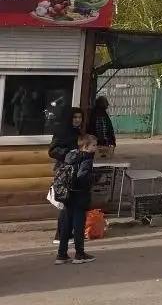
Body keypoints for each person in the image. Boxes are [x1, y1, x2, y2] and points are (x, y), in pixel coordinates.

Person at [55, 133, 97, 264]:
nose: (95, 148)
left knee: (66, 226)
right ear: (85, 146)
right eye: (93, 145)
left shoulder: (70, 155)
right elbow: (82, 177)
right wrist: (93, 179)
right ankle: (79, 254)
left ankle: (61, 255)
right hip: (79, 196)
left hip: (67, 195)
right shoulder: (87, 159)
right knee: (79, 226)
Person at [48, 107, 83, 244]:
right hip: (64, 171)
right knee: (65, 204)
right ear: (69, 118)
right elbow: (52, 151)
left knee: (71, 203)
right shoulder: (62, 131)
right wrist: (69, 153)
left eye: (80, 117)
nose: (78, 120)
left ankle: (67, 234)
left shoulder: (77, 131)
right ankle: (61, 235)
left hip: (74, 171)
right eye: (75, 117)